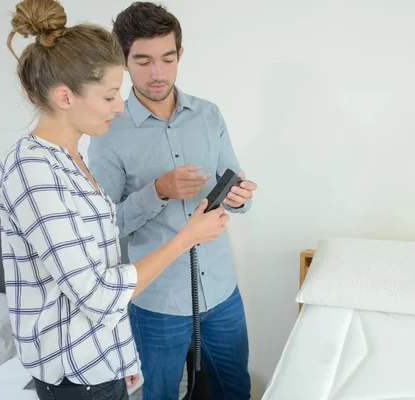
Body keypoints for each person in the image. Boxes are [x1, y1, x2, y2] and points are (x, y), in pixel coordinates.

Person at [0, 1, 229, 399]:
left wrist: (123, 361)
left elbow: (100, 259)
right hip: (76, 379)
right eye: (108, 97)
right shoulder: (32, 170)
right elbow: (99, 294)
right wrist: (186, 236)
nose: (120, 106)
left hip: (101, 366)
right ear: (66, 97)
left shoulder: (71, 159)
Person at [88, 2, 257, 399]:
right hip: (156, 302)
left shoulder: (208, 115)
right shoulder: (107, 132)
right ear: (124, 62)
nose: (157, 73)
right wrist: (157, 191)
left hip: (220, 292)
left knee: (235, 391)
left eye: (167, 58)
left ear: (180, 54)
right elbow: (105, 226)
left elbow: (236, 191)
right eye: (143, 61)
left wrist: (239, 197)